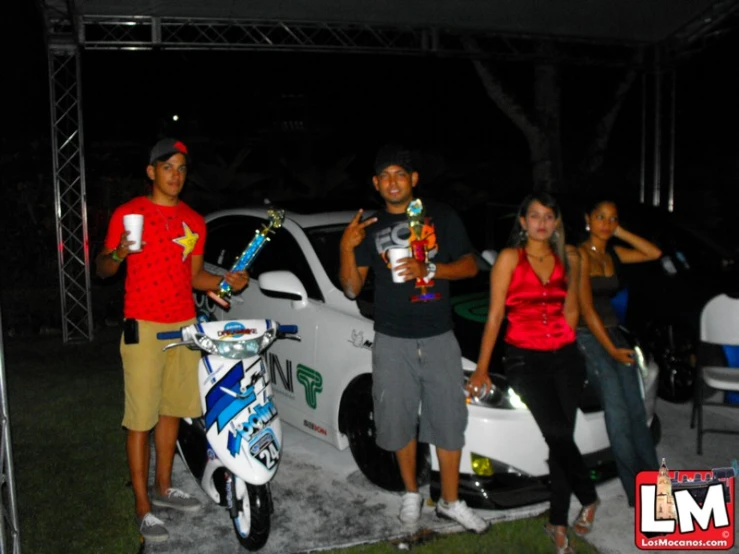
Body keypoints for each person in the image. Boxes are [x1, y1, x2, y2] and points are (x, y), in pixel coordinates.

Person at [96, 138, 249, 543]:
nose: (175, 174)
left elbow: (194, 277)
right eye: (167, 167)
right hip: (143, 326)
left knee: (171, 412)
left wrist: (224, 281)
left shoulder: (195, 221)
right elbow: (103, 269)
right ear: (151, 172)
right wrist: (118, 252)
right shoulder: (129, 213)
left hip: (183, 324)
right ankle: (143, 507)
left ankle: (164, 489)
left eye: (181, 168)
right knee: (140, 418)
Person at [338, 144, 489, 533]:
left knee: (449, 421)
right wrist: (345, 247)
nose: (392, 182)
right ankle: (411, 493)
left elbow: (472, 265)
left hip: (439, 336)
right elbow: (352, 289)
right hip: (391, 339)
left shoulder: (441, 215)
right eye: (384, 175)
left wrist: (431, 267)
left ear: (413, 180)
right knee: (398, 420)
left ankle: (451, 501)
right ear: (375, 183)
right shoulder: (369, 229)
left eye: (400, 174)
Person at [467, 192, 598, 554]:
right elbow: (495, 316)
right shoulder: (510, 259)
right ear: (522, 222)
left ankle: (557, 525)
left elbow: (572, 311)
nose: (542, 223)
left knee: (561, 443)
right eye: (534, 216)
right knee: (556, 433)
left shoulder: (568, 258)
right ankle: (589, 496)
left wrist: (571, 350)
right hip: (524, 360)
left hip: (565, 358)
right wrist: (481, 369)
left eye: (549, 216)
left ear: (556, 222)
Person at [577, 199, 661, 507]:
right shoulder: (579, 255)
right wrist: (612, 350)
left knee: (636, 412)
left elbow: (654, 253)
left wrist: (620, 231)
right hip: (586, 335)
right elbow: (585, 307)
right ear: (588, 219)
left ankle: (653, 487)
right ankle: (634, 493)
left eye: (612, 218)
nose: (606, 223)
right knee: (617, 413)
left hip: (613, 332)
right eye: (600, 216)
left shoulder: (613, 254)